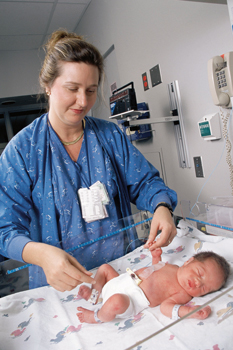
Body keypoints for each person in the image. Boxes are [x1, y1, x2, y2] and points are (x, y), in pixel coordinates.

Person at [0, 29, 177, 292]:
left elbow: (144, 183)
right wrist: (40, 254)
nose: (83, 101)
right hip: (62, 285)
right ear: (47, 86)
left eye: (91, 90)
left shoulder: (110, 136)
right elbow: (5, 229)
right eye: (72, 89)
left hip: (121, 271)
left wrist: (162, 206)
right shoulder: (22, 151)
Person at [77, 248, 230, 323]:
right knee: (104, 268)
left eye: (204, 289)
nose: (197, 283)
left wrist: (190, 311)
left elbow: (166, 308)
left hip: (129, 300)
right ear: (188, 261)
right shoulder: (173, 268)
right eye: (199, 273)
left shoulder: (183, 293)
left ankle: (97, 316)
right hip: (122, 280)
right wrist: (156, 257)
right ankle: (94, 296)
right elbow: (155, 269)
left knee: (115, 302)